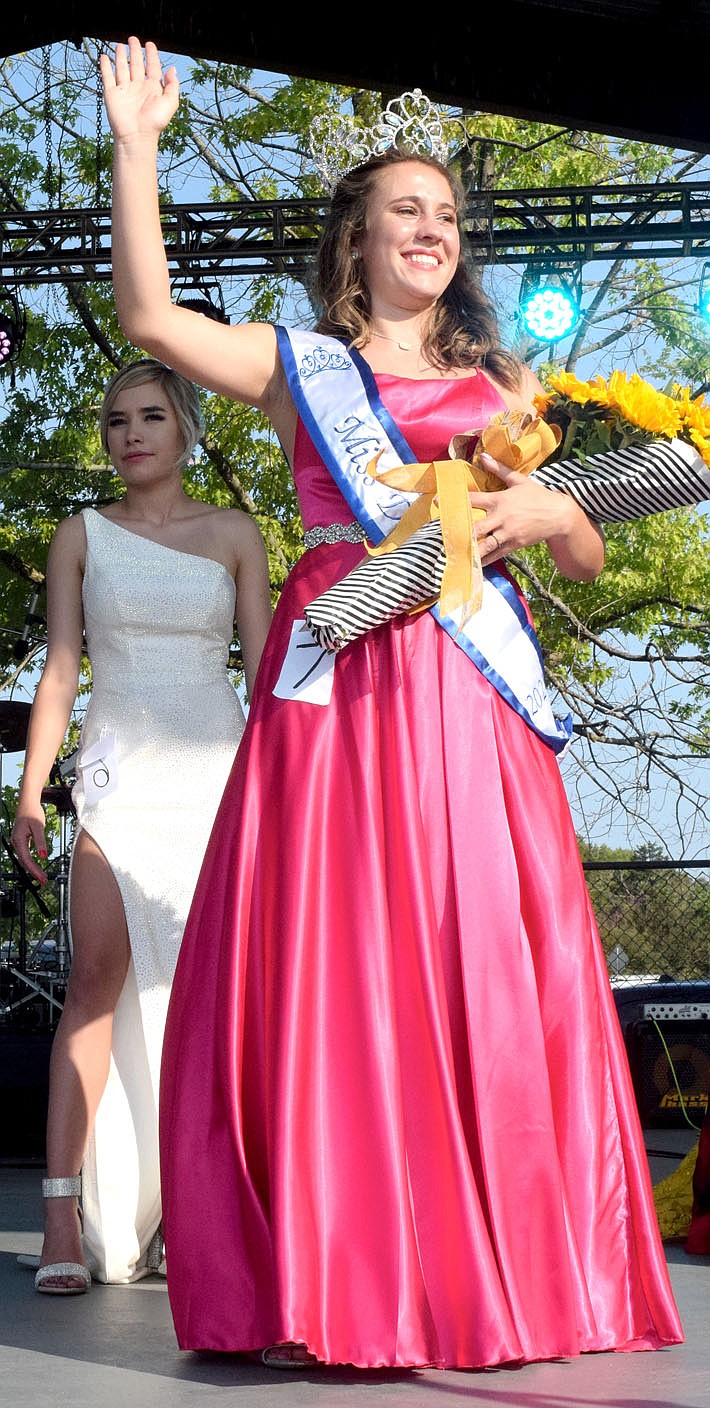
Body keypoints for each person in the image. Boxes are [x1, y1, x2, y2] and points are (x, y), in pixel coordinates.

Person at [100, 38, 683, 1366]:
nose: (427, 230)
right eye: (400, 213)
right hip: (344, 688)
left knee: (474, 949)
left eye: (444, 216)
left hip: (469, 691)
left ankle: (503, 1267)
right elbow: (150, 321)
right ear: (356, 246)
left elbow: (586, 548)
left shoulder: (508, 389)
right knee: (342, 962)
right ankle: (340, 1274)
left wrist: (545, 512)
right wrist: (138, 146)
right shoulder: (297, 364)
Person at [11, 357, 273, 1292]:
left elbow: (266, 671)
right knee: (93, 980)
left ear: (186, 428)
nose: (131, 434)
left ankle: (202, 1209)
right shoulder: (79, 534)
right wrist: (32, 791)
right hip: (117, 773)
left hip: (216, 771)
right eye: (117, 420)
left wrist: (276, 787)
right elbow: (60, 670)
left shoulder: (238, 533)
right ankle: (59, 1222)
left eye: (151, 416)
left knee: (217, 998)